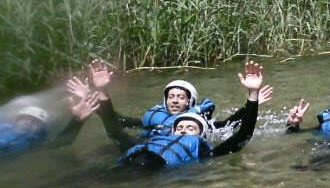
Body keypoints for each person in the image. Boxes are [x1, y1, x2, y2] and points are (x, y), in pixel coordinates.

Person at [92, 61, 264, 170]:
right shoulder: (147, 141)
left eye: (190, 128)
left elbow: (243, 134)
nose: (182, 130)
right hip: (128, 167)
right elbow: (115, 131)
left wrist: (253, 95)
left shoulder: (204, 153)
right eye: (180, 127)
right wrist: (102, 91)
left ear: (201, 135)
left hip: (149, 176)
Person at [86, 58, 272, 134]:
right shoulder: (153, 120)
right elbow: (118, 122)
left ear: (190, 102)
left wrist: (252, 103)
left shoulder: (198, 123)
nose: (174, 100)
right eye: (171, 96)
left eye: (180, 97)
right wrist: (95, 102)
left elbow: (230, 123)